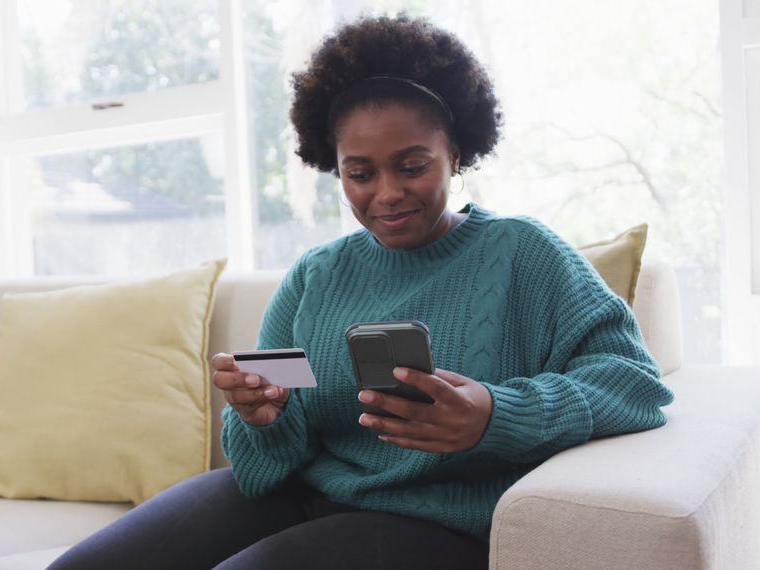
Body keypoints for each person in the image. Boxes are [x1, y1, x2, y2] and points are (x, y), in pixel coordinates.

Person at [49, 14, 673, 570]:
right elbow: (264, 468)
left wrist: (494, 415)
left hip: (437, 525)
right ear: (335, 167)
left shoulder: (524, 253)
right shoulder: (316, 275)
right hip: (303, 497)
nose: (387, 193)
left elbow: (636, 385)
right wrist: (260, 417)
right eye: (360, 173)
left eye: (412, 165)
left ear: (455, 153)